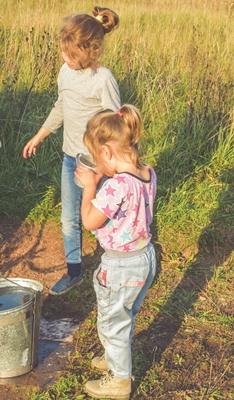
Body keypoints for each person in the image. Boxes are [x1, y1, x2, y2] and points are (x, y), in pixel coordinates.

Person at [23, 6, 121, 295]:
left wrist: (108, 164)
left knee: (103, 218)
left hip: (99, 163)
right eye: (63, 52)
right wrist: (40, 135)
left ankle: (116, 264)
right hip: (71, 159)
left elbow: (116, 122)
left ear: (91, 51)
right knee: (69, 217)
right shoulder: (65, 71)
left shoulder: (103, 80)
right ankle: (74, 272)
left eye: (71, 54)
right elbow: (61, 106)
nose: (65, 58)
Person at [75, 105, 158, 399]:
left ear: (107, 152)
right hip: (145, 258)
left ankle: (120, 380)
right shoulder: (147, 173)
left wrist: (90, 186)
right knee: (124, 315)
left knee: (113, 324)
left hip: (121, 265)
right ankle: (115, 358)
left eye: (98, 158)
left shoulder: (116, 186)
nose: (98, 165)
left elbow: (89, 221)